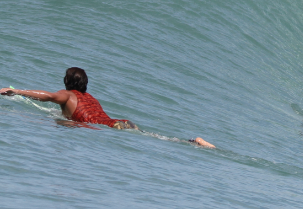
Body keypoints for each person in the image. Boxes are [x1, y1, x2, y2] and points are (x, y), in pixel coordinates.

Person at [1, 67, 215, 148]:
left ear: (67, 83)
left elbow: (47, 96)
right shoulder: (90, 97)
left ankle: (192, 142)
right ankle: (191, 141)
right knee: (156, 136)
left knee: (60, 123)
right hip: (121, 122)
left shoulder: (66, 95)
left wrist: (16, 91)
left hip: (111, 126)